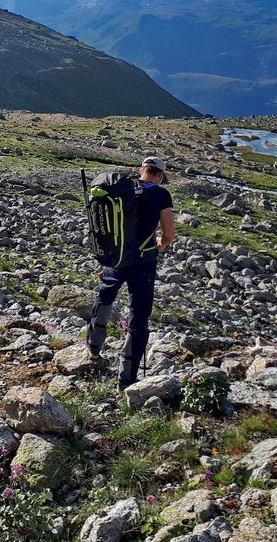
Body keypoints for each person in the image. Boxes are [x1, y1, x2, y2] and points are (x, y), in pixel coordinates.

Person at [87, 155, 176, 389]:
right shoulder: (160, 194)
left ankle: (93, 350)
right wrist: (159, 244)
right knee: (138, 314)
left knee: (104, 299)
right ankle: (127, 378)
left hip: (114, 259)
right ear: (160, 174)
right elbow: (169, 235)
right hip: (143, 263)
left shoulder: (123, 190)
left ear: (142, 170)